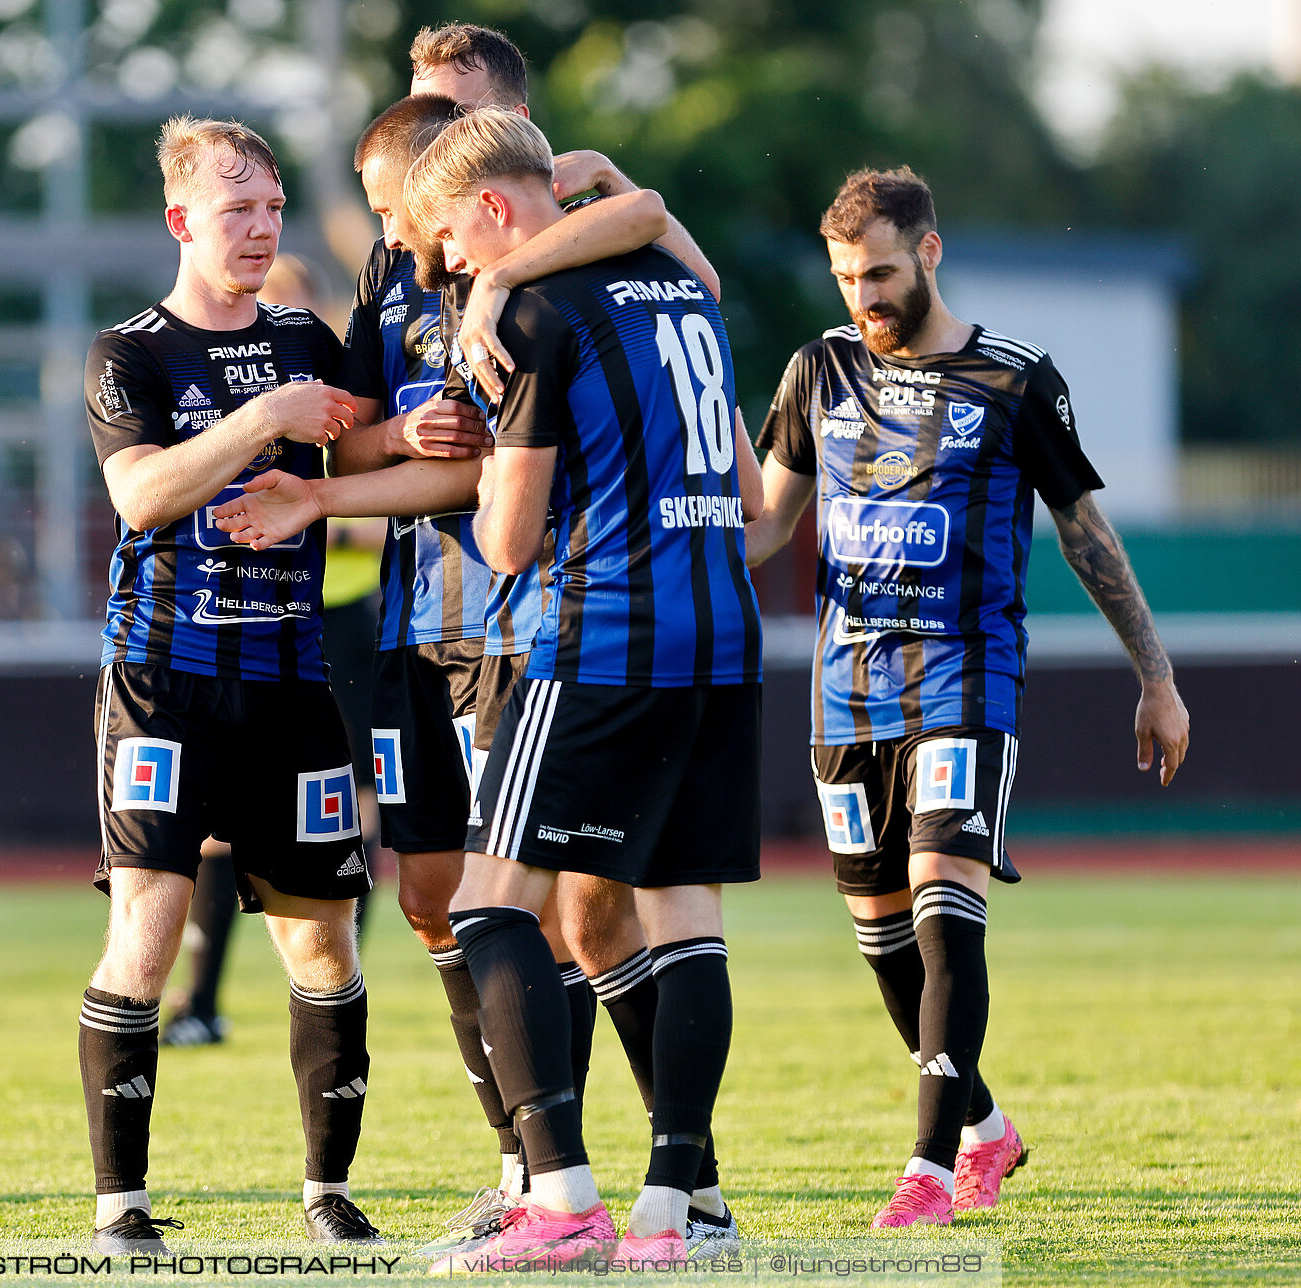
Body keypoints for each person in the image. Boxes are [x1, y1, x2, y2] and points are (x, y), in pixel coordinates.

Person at [745, 167, 1191, 1228]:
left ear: (930, 253)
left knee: (945, 902)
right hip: (844, 699)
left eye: (883, 273)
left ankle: (930, 1173)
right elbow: (765, 524)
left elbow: (1086, 533)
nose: (866, 296)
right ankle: (988, 1129)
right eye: (849, 276)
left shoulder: (1016, 379)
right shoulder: (817, 370)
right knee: (885, 941)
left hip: (965, 679)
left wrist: (1157, 676)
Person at [413, 107, 763, 1267]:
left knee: (490, 905)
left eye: (451, 239)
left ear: (496, 210)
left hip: (603, 633)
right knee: (686, 915)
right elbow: (755, 499)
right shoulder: (680, 278)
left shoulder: (526, 309)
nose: (448, 266)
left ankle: (559, 1200)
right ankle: (682, 1205)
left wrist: (463, 471)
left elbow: (508, 544)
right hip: (723, 636)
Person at [79, 116, 380, 1251]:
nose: (259, 229)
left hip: (295, 679)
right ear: (181, 220)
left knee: (325, 947)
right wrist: (264, 419)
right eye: (235, 208)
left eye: (270, 208)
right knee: (148, 935)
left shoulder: (311, 333)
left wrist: (419, 428)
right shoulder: (130, 353)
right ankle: (123, 1207)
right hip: (165, 681)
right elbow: (144, 496)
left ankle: (326, 1191)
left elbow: (364, 455)